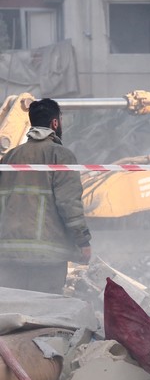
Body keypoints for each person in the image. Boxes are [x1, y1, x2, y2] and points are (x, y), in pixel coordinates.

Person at [0, 98, 91, 294]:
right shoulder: (61, 156)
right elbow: (69, 204)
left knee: (12, 314)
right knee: (44, 317)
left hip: (8, 254)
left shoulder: (10, 157)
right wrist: (83, 241)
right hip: (47, 258)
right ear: (55, 123)